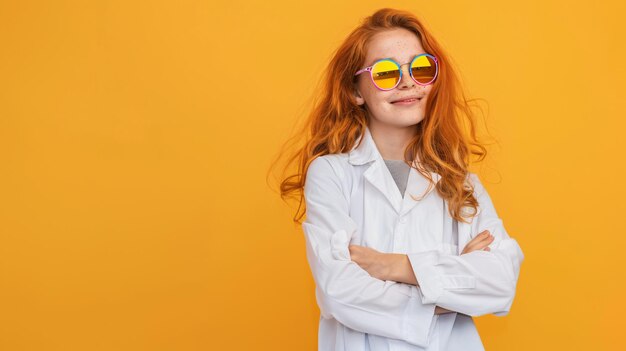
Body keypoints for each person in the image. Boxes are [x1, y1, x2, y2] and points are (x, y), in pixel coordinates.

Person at [274, 7, 524, 351]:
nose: (407, 82)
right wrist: (449, 291)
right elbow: (339, 292)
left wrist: (395, 266)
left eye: (420, 68)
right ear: (356, 90)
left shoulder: (462, 183)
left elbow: (500, 282)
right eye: (386, 73)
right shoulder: (331, 174)